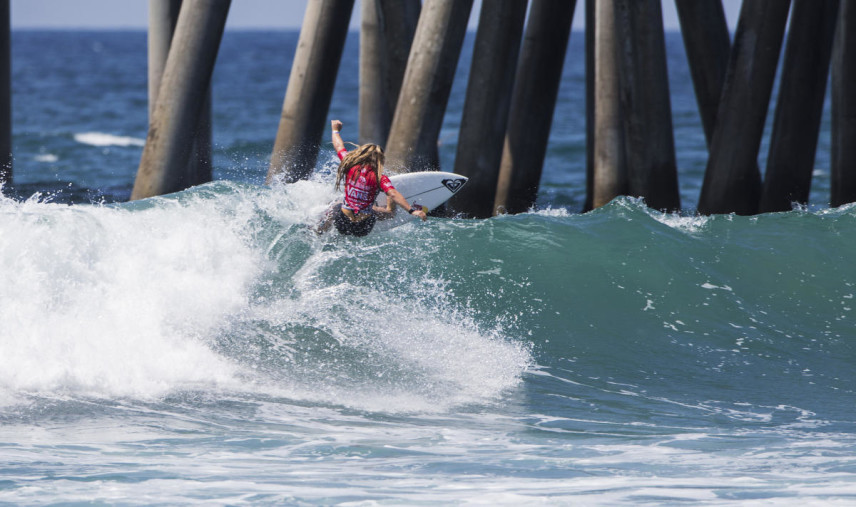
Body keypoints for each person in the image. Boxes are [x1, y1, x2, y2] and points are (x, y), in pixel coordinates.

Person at [316, 119, 427, 236]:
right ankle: (389, 209)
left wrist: (335, 130)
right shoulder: (380, 177)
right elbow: (393, 194)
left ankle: (320, 230)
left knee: (335, 205)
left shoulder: (350, 165)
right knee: (385, 209)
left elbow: (339, 146)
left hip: (342, 223)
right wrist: (412, 210)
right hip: (363, 227)